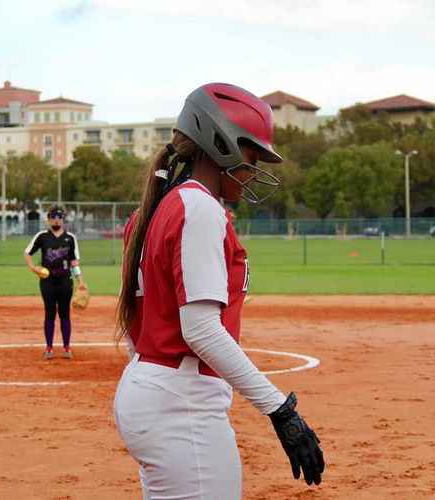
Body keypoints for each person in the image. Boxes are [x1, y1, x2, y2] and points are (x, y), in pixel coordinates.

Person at [113, 83, 324, 499]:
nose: (253, 171)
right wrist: (281, 410)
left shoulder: (153, 209)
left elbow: (140, 328)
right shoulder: (200, 208)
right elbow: (201, 330)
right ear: (219, 143)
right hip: (181, 401)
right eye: (250, 157)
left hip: (152, 389)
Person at [23, 205, 86, 359]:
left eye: (59, 217)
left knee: (65, 314)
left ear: (63, 219)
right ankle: (49, 348)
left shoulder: (70, 238)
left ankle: (66, 347)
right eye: (53, 217)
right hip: (47, 281)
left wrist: (80, 281)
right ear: (49, 219)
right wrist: (34, 268)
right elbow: (27, 253)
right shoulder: (42, 236)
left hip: (65, 281)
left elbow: (74, 262)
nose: (56, 220)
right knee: (49, 313)